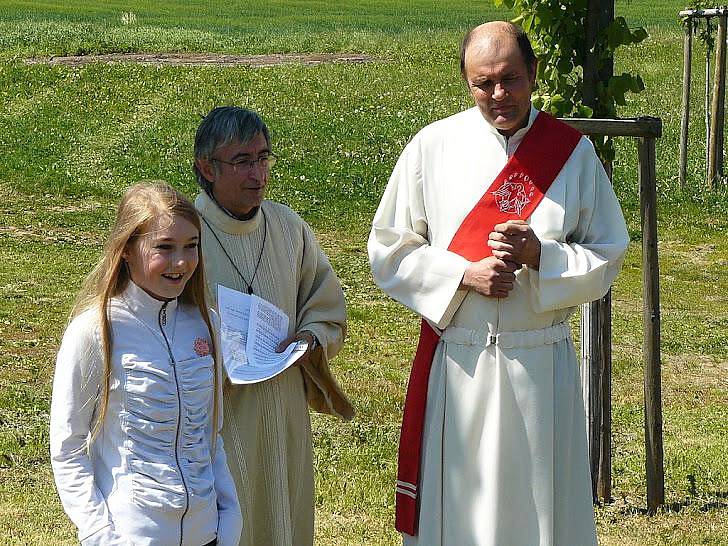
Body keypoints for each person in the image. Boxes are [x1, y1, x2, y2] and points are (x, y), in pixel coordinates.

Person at [368, 21, 630, 545]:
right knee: (463, 507)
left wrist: (542, 257)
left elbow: (608, 252)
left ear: (533, 74)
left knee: (538, 507)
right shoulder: (433, 147)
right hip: (462, 361)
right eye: (482, 83)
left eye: (509, 79)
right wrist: (463, 274)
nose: (497, 95)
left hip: (540, 363)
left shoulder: (571, 154)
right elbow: (389, 249)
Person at [192, 106, 354, 546]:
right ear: (206, 167)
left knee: (285, 515)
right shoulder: (186, 235)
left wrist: (309, 339)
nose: (258, 173)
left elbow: (325, 304)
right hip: (220, 408)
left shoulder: (288, 228)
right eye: (242, 161)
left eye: (263, 158)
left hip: (283, 404)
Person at [50, 182, 242, 546]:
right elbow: (68, 448)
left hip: (208, 535)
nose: (181, 262)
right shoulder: (95, 330)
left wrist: (230, 519)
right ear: (127, 251)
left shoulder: (206, 324)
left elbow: (209, 435)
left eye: (191, 246)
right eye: (164, 248)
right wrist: (100, 535)